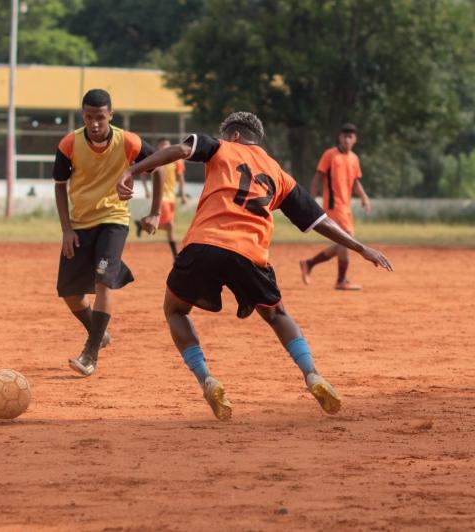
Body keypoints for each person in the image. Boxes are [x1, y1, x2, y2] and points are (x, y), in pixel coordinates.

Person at [117, 112, 393, 420]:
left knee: (175, 310)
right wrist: (360, 247)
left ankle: (206, 378)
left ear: (234, 135)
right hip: (250, 252)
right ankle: (312, 374)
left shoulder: (220, 147)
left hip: (205, 243)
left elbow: (181, 150)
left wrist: (133, 169)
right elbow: (319, 220)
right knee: (277, 315)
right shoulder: (278, 173)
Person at [53, 88, 157, 376]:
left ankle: (90, 354)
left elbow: (158, 167)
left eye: (100, 117)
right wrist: (66, 229)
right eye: (89, 117)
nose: (95, 123)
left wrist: (155, 211)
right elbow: (60, 186)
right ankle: (99, 333)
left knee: (103, 283)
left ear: (110, 115)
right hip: (80, 223)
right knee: (70, 293)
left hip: (114, 220)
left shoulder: (129, 142)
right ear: (82, 116)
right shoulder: (69, 144)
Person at [300, 123, 372, 290]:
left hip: (346, 207)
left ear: (355, 139)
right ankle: (341, 280)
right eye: (344, 136)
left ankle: (309, 264)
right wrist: (311, 199)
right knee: (347, 240)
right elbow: (317, 177)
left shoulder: (354, 158)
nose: (347, 139)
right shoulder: (330, 155)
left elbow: (355, 182)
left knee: (343, 243)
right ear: (339, 137)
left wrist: (364, 197)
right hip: (333, 206)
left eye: (350, 136)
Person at [135, 138, 187, 258]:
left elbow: (180, 178)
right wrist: (147, 190)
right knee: (170, 226)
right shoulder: (156, 159)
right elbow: (143, 174)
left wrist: (183, 194)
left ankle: (141, 226)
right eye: (162, 145)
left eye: (167, 145)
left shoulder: (177, 161)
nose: (165, 147)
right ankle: (176, 256)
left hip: (172, 197)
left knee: (167, 226)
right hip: (160, 197)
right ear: (158, 147)